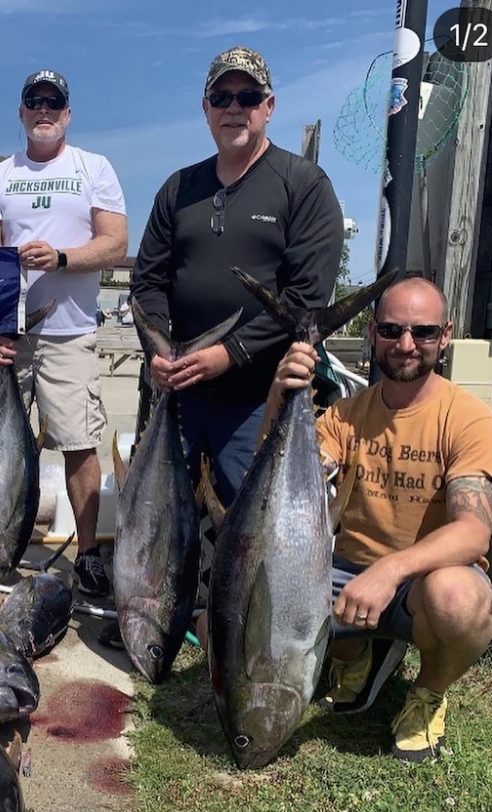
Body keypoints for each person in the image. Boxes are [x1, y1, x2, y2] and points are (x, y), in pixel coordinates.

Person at [267, 276, 492, 761]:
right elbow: (280, 479)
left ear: (447, 334)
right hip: (346, 577)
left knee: (459, 601)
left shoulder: (468, 418)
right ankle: (356, 658)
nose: (407, 344)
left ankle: (428, 692)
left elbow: (473, 531)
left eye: (425, 332)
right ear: (373, 332)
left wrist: (390, 569)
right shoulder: (346, 415)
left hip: (419, 584)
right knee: (255, 603)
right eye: (393, 330)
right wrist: (278, 393)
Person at [131, 46, 343, 506]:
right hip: (179, 393)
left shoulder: (304, 184)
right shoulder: (178, 188)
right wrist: (157, 351)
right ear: (205, 109)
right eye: (221, 97)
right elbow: (148, 282)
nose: (234, 108)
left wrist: (230, 353)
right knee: (159, 521)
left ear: (269, 106)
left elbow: (307, 297)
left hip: (259, 398)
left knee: (250, 525)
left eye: (247, 96)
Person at [0, 69, 128, 597]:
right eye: (33, 102)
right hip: (8, 337)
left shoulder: (94, 168)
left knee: (79, 445)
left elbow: (113, 244)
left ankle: (87, 554)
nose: (43, 110)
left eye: (53, 102)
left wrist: (62, 257)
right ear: (20, 113)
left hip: (70, 333)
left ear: (67, 114)